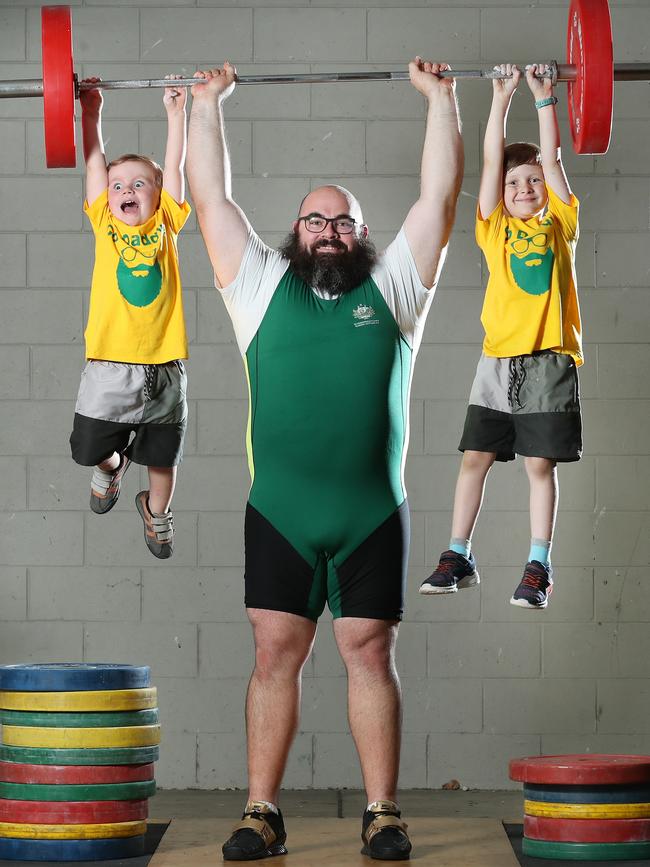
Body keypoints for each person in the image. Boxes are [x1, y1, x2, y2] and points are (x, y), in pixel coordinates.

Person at [187, 58, 463, 861]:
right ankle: (261, 812)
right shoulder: (259, 288)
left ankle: (381, 810)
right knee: (275, 653)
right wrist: (208, 104)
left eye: (343, 221)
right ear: (295, 231)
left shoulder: (399, 290)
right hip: (280, 511)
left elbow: (438, 199)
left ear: (363, 235)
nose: (329, 231)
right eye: (316, 219)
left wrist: (440, 100)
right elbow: (211, 198)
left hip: (371, 510)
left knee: (370, 653)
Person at [419, 63, 582, 609]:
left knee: (539, 465)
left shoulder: (561, 221)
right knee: (475, 457)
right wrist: (499, 97)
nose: (524, 187)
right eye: (515, 183)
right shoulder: (492, 229)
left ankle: (539, 564)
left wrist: (542, 98)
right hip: (497, 362)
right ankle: (458, 555)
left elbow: (553, 158)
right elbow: (491, 161)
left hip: (548, 361)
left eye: (532, 179)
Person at [69, 75, 191, 559]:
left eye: (140, 183)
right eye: (119, 185)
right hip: (109, 363)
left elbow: (175, 167)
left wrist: (176, 113)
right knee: (88, 448)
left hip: (166, 364)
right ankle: (113, 463)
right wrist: (91, 110)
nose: (127, 190)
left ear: (157, 196)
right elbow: (95, 162)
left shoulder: (167, 221)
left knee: (163, 454)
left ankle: (156, 513)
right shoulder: (104, 221)